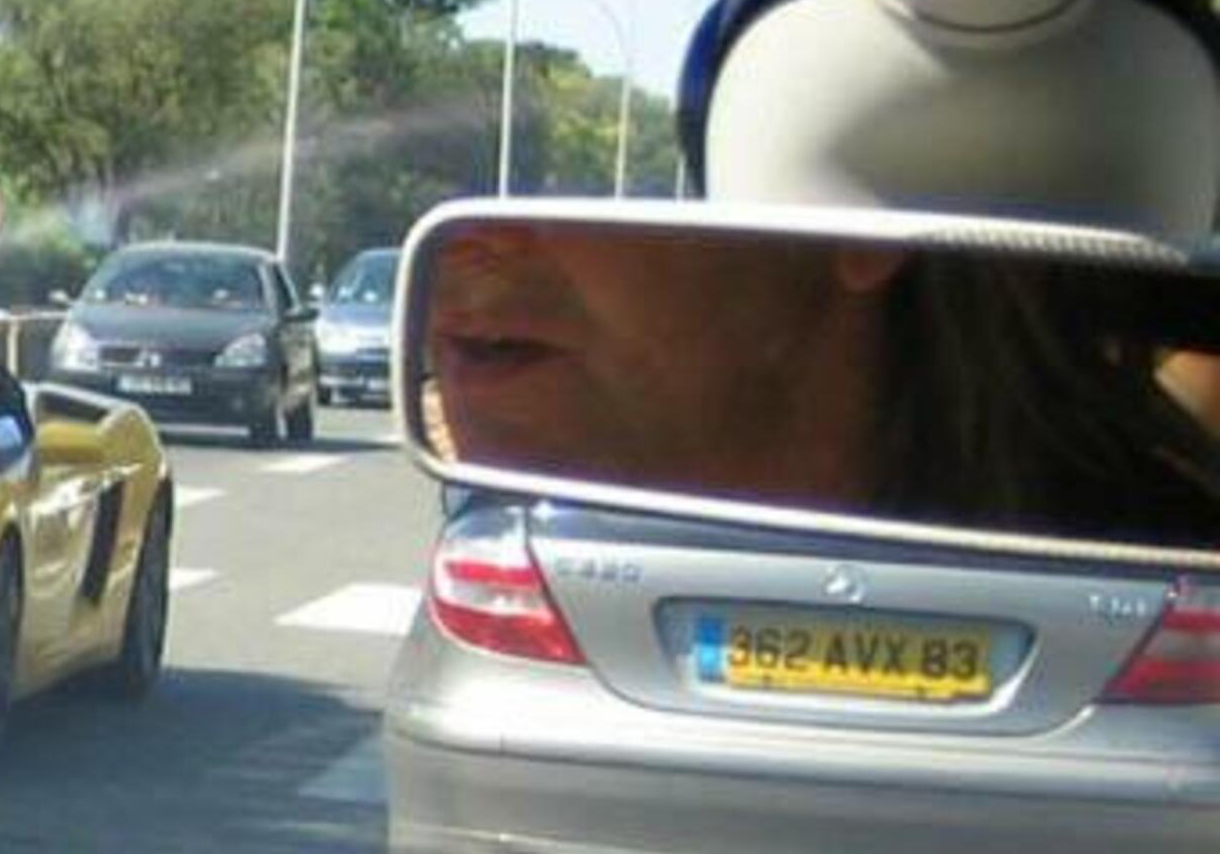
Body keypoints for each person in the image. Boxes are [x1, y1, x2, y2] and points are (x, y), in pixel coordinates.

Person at [423, 221, 1220, 548]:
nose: (459, 246)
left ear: (860, 233)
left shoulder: (1167, 571)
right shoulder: (526, 554)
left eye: (581, 191)